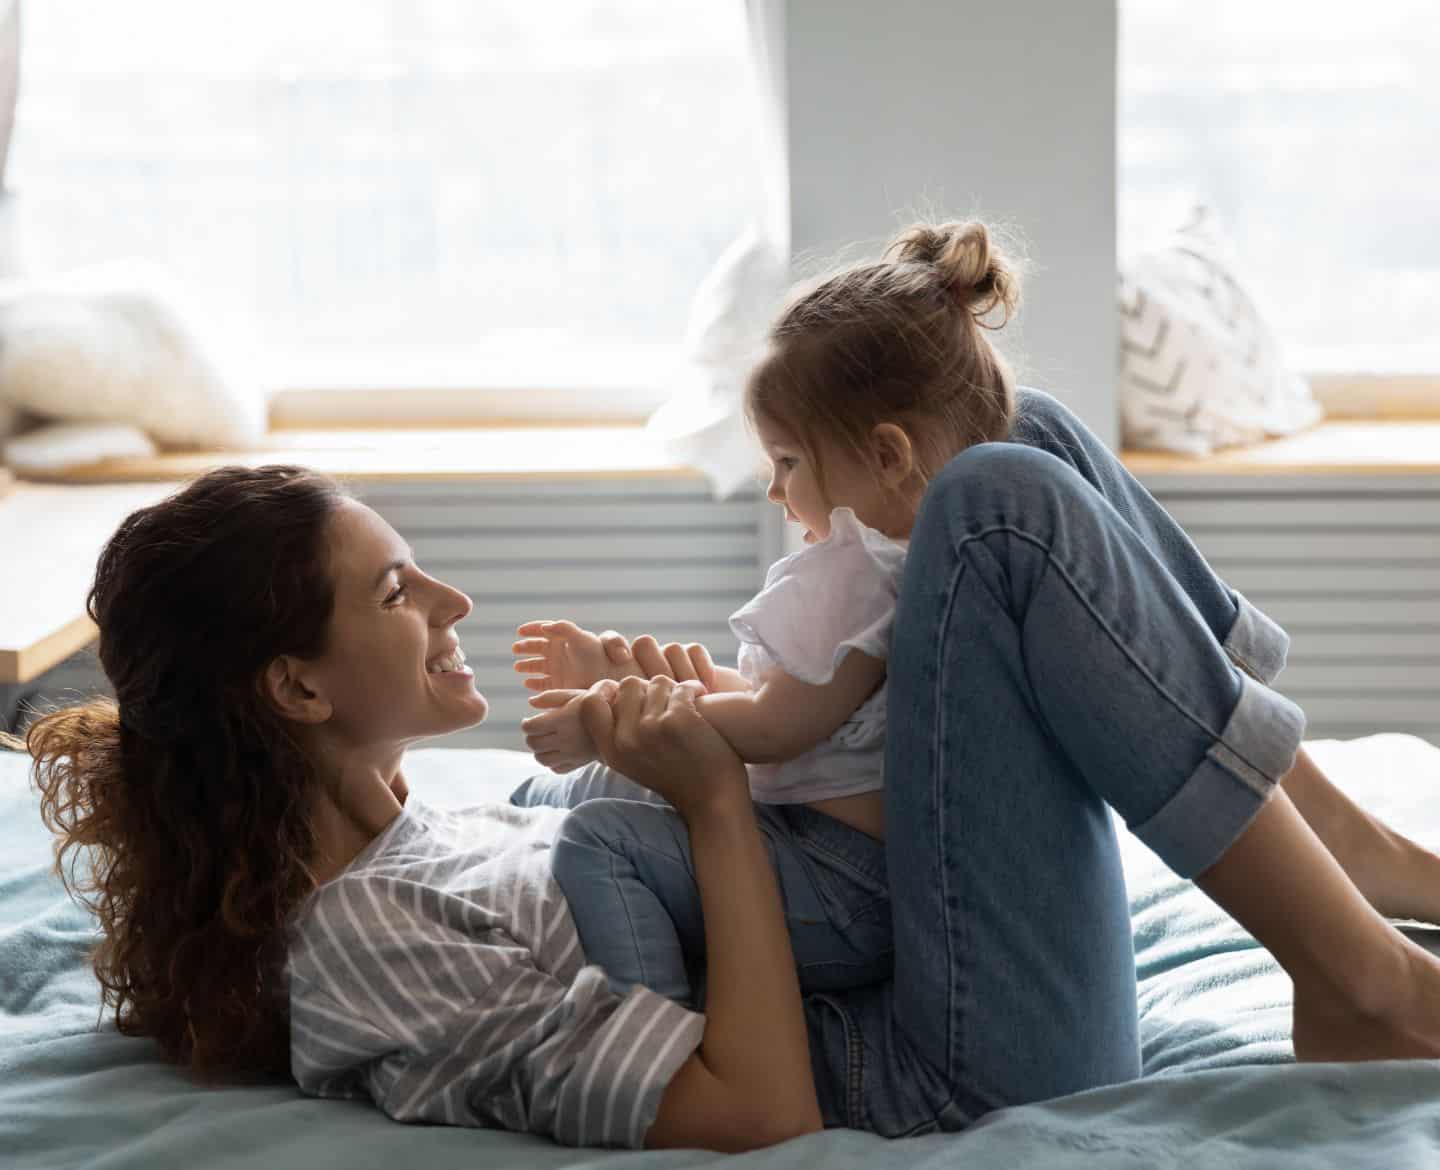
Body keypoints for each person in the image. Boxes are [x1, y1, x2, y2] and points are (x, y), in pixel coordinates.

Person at [10, 223, 1440, 1151]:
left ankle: (1351, 862)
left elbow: (716, 840)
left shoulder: (431, 823)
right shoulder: (358, 950)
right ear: (297, 689)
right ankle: (1363, 973)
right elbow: (754, 1104)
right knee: (995, 505)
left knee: (1014, 431)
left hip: (944, 965)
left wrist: (692, 721)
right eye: (395, 591)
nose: (451, 602)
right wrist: (705, 805)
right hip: (948, 1061)